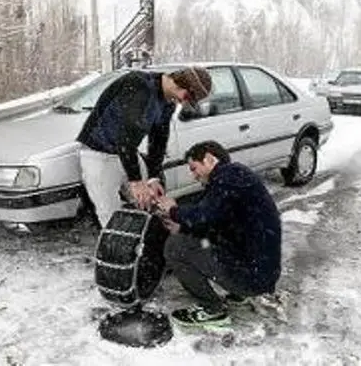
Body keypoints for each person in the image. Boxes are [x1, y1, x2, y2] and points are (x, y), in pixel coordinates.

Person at [155, 141, 282, 327]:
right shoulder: (234, 176)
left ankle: (213, 310)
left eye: (194, 168)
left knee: (175, 247)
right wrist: (182, 226)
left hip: (253, 277)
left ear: (208, 159)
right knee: (197, 238)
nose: (193, 175)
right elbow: (215, 223)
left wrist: (174, 210)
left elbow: (204, 216)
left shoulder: (226, 178)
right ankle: (239, 293)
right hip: (260, 273)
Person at [76, 66, 212, 228]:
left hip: (128, 154)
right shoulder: (139, 86)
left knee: (151, 202)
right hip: (98, 154)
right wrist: (136, 181)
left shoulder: (167, 102)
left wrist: (153, 177)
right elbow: (125, 136)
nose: (184, 102)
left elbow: (158, 140)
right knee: (111, 216)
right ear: (180, 83)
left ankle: (147, 246)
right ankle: (116, 249)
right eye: (187, 97)